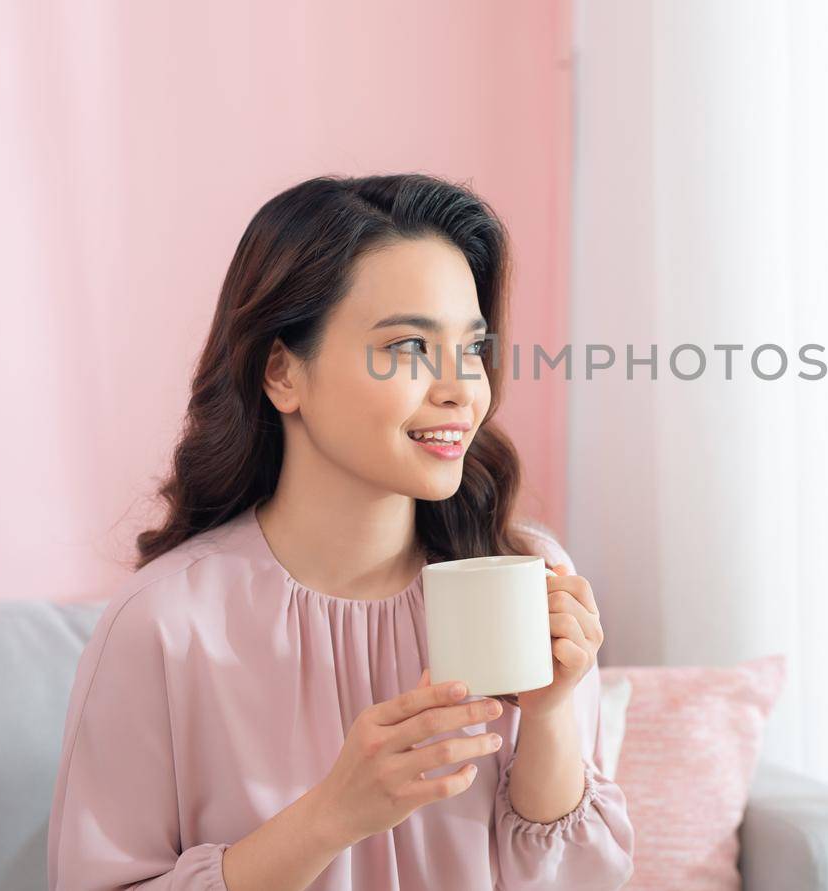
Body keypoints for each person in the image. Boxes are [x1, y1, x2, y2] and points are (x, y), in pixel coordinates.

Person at [47, 174, 635, 890]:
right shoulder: (166, 625)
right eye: (410, 347)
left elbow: (580, 882)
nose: (460, 388)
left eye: (472, 349)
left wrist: (547, 719)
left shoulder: (523, 572)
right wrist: (333, 814)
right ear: (281, 371)